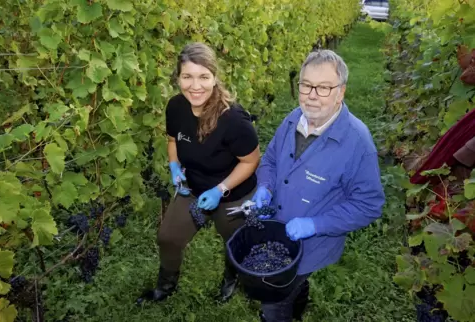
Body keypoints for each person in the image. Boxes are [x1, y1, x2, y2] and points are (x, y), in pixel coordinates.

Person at [250, 49, 385, 321]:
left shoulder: (357, 143)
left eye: (324, 88)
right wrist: (265, 187)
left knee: (274, 300)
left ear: (341, 93)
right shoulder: (292, 119)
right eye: (306, 85)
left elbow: (369, 205)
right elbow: (271, 160)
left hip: (312, 247)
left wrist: (315, 225)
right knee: (290, 288)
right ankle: (297, 301)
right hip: (276, 230)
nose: (312, 95)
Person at [136, 42, 261, 305]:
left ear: (214, 78)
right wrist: (174, 166)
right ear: (178, 78)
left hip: (232, 194)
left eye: (204, 76)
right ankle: (166, 285)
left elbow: (251, 161)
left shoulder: (234, 120)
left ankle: (232, 277)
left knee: (235, 241)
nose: (196, 86)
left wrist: (220, 190)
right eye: (187, 76)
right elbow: (173, 140)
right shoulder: (176, 107)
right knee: (168, 237)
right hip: (193, 186)